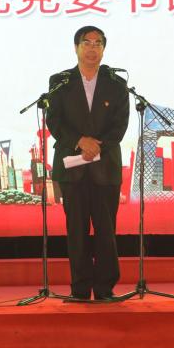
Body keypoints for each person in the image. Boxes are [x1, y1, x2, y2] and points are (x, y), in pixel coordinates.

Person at [45, 25, 130, 301]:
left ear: (103, 49)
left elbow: (120, 125)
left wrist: (96, 146)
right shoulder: (60, 81)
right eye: (86, 43)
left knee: (106, 231)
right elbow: (54, 121)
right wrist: (80, 141)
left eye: (98, 43)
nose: (92, 48)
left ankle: (105, 289)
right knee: (77, 232)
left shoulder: (117, 84)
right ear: (76, 48)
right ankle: (80, 290)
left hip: (105, 167)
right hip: (72, 167)